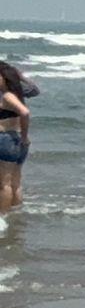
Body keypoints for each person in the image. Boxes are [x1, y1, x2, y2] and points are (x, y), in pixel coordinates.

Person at [0, 62, 34, 213]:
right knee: (15, 182)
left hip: (6, 139)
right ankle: (14, 216)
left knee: (4, 183)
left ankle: (3, 217)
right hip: (17, 139)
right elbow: (34, 90)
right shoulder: (18, 93)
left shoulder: (7, 96)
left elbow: (24, 112)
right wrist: (22, 77)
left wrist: (25, 136)